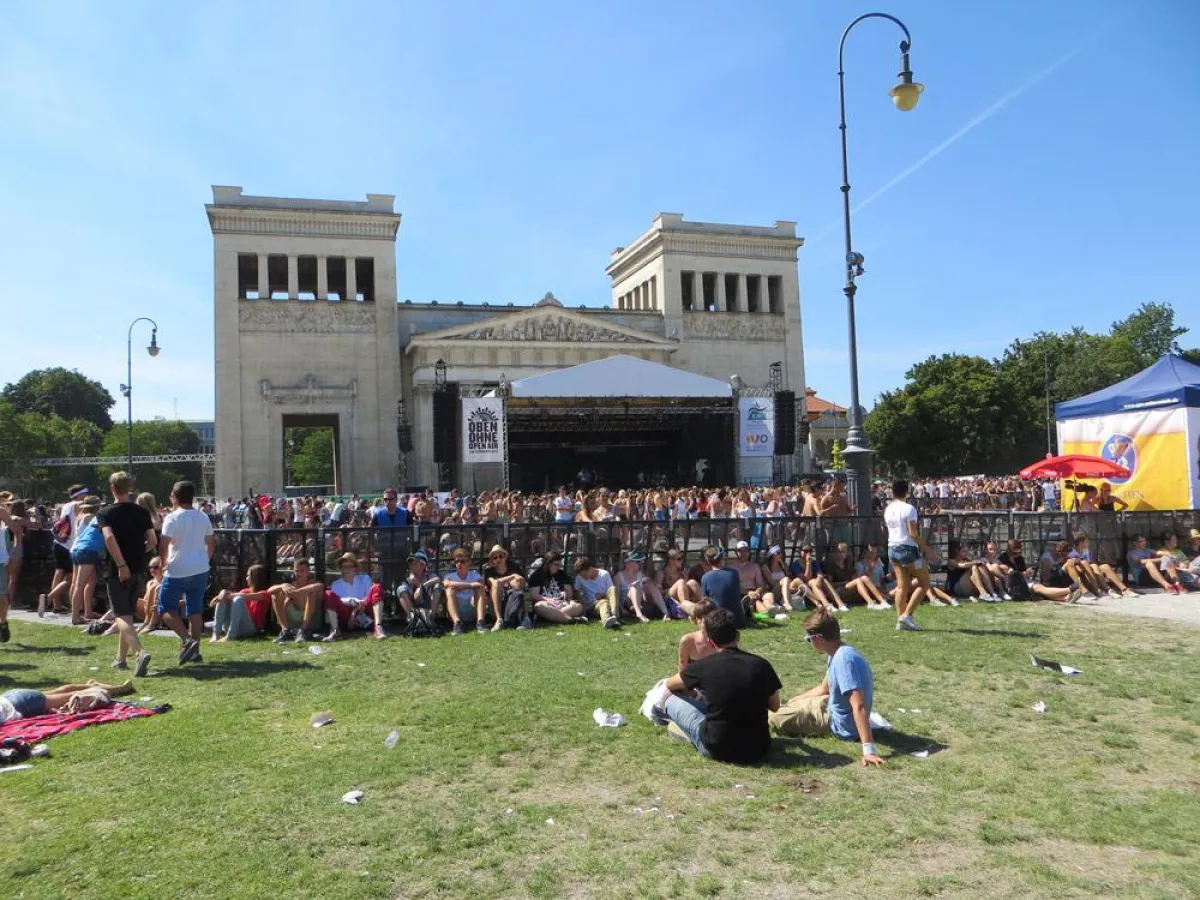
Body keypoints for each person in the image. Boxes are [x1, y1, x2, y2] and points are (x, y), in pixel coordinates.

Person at [660, 607, 782, 763]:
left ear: (711, 642)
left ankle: (682, 728)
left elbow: (670, 684)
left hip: (718, 748)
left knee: (669, 698)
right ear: (737, 636)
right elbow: (775, 706)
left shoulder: (704, 666)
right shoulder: (761, 664)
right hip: (759, 748)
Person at [769, 609, 885, 767]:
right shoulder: (838, 652)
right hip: (830, 705)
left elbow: (859, 705)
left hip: (840, 724)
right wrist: (793, 701)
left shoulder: (844, 660)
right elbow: (824, 688)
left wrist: (869, 750)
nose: (809, 643)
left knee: (774, 717)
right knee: (783, 706)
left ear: (818, 638)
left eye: (808, 639)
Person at [96, 472, 156, 676]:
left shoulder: (105, 513)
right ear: (130, 488)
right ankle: (120, 659)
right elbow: (153, 541)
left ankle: (140, 652)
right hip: (139, 567)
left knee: (120, 614)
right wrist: (138, 555)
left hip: (117, 569)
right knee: (127, 613)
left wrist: (121, 564)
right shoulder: (142, 512)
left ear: (112, 488)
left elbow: (109, 537)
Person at [157, 480, 215, 665]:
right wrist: (205, 559)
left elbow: (164, 543)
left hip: (177, 568)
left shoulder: (172, 518)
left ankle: (186, 639)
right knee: (195, 610)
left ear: (175, 497)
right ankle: (195, 650)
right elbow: (211, 542)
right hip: (200, 568)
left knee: (166, 609)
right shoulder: (202, 517)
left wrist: (163, 562)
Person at [884, 480, 928, 632]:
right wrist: (927, 548)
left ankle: (900, 621)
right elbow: (913, 533)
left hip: (892, 548)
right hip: (907, 549)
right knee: (924, 583)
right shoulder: (909, 508)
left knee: (902, 586)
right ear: (907, 491)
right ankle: (906, 616)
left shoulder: (888, 509)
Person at [41, 485, 88, 617]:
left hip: (59, 542)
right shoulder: (78, 505)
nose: (86, 497)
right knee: (71, 578)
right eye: (85, 494)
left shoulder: (65, 505)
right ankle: (49, 598)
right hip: (70, 545)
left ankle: (56, 605)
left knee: (59, 572)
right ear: (79, 495)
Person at [0, 680, 136, 723]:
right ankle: (99, 685)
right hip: (12, 696)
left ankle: (115, 689)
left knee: (74, 695)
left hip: (23, 704)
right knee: (62, 691)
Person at [324, 553, 387, 641]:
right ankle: (335, 630)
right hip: (345, 612)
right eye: (344, 567)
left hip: (362, 610)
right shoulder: (336, 584)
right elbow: (336, 603)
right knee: (328, 593)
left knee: (377, 587)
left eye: (350, 566)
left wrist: (354, 612)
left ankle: (378, 627)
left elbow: (369, 598)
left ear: (355, 568)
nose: (347, 569)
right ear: (341, 569)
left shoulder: (365, 579)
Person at [209, 564, 279, 641]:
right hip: (234, 626)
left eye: (248, 576)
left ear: (255, 578)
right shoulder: (244, 591)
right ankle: (216, 635)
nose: (246, 578)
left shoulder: (264, 594)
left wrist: (224, 593)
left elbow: (245, 596)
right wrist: (222, 593)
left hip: (250, 629)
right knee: (224, 599)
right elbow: (215, 602)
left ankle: (230, 636)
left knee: (237, 599)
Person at [998, 539, 1077, 602]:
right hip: (1013, 585)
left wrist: (1027, 573)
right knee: (1039, 588)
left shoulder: (1019, 558)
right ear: (1009, 550)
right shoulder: (1002, 559)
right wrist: (1022, 574)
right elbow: (1009, 575)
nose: (1017, 555)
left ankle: (1066, 598)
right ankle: (1070, 590)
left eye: (1019, 552)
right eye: (1015, 553)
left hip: (1023, 581)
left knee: (1041, 590)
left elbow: (1022, 572)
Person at [820, 541, 889, 609]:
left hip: (850, 586)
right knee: (858, 581)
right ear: (835, 553)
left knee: (864, 578)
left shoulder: (848, 564)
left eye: (843, 552)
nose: (841, 554)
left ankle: (882, 601)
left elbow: (855, 577)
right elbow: (829, 585)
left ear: (846, 553)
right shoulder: (831, 566)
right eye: (839, 552)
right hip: (838, 590)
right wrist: (843, 583)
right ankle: (870, 603)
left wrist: (865, 574)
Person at [528, 551, 585, 625]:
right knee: (538, 607)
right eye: (556, 565)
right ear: (548, 563)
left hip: (562, 604)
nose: (558, 567)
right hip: (546, 604)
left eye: (560, 565)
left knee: (578, 606)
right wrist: (548, 600)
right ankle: (571, 620)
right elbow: (535, 596)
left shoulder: (562, 574)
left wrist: (565, 593)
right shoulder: (536, 576)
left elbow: (570, 594)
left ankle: (551, 617)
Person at [483, 544, 530, 630]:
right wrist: (512, 577)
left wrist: (513, 580)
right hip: (495, 604)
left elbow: (521, 582)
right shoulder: (488, 570)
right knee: (497, 585)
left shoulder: (514, 566)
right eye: (495, 557)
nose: (498, 559)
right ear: (492, 560)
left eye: (501, 556)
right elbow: (494, 583)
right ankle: (499, 620)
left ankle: (526, 618)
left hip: (512, 600)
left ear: (505, 557)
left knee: (523, 585)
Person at [699, 546, 747, 628]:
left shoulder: (705, 577)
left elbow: (704, 602)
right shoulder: (734, 573)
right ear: (722, 558)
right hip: (737, 621)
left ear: (707, 561)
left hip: (716, 622)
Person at [443, 548, 488, 635]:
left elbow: (481, 585)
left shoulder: (475, 574)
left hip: (473, 609)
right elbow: (446, 584)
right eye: (456, 562)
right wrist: (470, 585)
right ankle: (457, 625)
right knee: (449, 591)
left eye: (462, 561)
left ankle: (480, 623)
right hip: (457, 610)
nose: (459, 564)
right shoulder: (450, 575)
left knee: (479, 590)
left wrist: (458, 586)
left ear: (469, 562)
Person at [617, 551, 669, 623]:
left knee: (649, 586)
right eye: (637, 562)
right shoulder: (618, 576)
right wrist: (622, 609)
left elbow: (653, 585)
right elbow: (616, 595)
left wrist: (651, 582)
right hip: (628, 602)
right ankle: (639, 615)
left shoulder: (640, 574)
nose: (640, 564)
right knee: (634, 587)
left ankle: (666, 613)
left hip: (641, 599)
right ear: (628, 562)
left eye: (640, 562)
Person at [573, 556, 622, 630]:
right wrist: (581, 598)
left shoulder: (604, 574)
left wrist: (602, 595)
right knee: (603, 602)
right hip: (593, 605)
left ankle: (614, 615)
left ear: (590, 568)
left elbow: (611, 594)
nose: (583, 577)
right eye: (581, 575)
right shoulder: (579, 578)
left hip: (608, 602)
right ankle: (607, 620)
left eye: (584, 574)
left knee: (613, 589)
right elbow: (576, 592)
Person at [730, 540, 776, 614]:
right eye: (740, 551)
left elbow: (760, 584)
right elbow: (734, 586)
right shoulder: (732, 568)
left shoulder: (755, 566)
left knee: (769, 595)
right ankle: (769, 611)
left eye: (746, 550)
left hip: (756, 591)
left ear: (749, 552)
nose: (743, 553)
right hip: (742, 594)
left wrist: (757, 592)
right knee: (756, 601)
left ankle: (772, 609)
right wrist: (748, 592)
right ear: (736, 552)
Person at [395, 550, 443, 620]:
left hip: (428, 605)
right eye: (410, 563)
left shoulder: (429, 576)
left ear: (423, 565)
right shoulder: (408, 579)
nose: (411, 565)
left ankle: (431, 617)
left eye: (415, 563)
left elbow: (438, 579)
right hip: (414, 606)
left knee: (437, 586)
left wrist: (422, 587)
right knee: (401, 589)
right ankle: (414, 618)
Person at [677, 598, 716, 672]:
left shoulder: (724, 639)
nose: (704, 620)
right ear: (695, 620)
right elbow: (682, 670)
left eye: (708, 616)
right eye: (700, 617)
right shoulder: (687, 641)